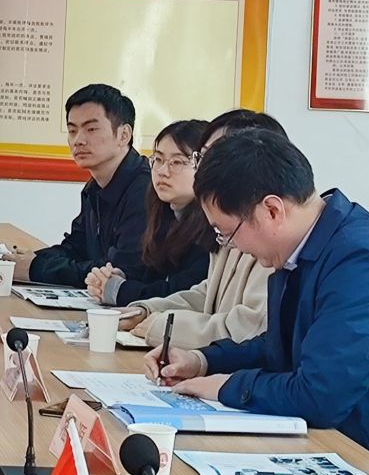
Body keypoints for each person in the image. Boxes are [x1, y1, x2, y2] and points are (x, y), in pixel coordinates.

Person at [147, 129, 369, 475]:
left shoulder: (360, 261)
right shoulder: (308, 246)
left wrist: (226, 387)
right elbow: (282, 344)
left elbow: (320, 396)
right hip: (344, 454)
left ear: (272, 211)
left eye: (227, 233)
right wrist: (203, 360)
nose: (232, 247)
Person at [118, 109, 289, 348]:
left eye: (212, 156)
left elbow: (249, 329)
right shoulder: (228, 219)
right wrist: (148, 310)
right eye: (202, 157)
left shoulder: (270, 235)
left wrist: (165, 327)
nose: (201, 168)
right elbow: (208, 296)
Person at [21, 84, 150, 288]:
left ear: (124, 135)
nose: (78, 140)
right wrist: (30, 259)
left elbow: (120, 269)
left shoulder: (145, 189)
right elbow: (75, 248)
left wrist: (36, 268)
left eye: (91, 129)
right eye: (72, 131)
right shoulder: (94, 187)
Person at [84, 119, 214, 308]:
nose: (162, 171)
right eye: (158, 159)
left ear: (205, 166)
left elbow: (181, 295)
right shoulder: (165, 215)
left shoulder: (213, 228)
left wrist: (120, 291)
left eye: (177, 162)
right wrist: (116, 279)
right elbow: (152, 276)